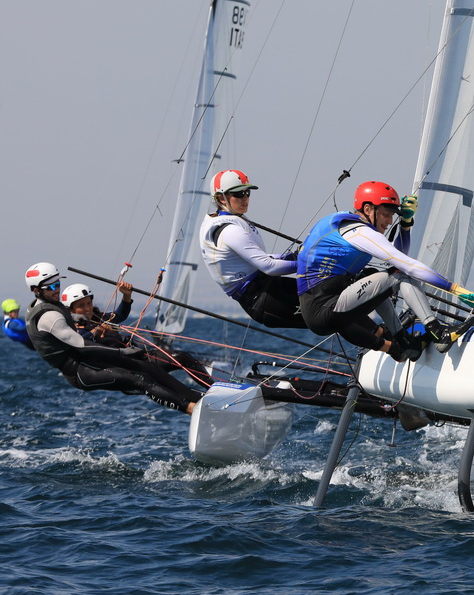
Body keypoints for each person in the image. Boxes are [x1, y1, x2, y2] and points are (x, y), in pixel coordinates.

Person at [297, 181, 474, 361]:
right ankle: (438, 333)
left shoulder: (344, 225)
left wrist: (405, 223)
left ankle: (406, 342)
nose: (389, 221)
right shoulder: (359, 232)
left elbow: (398, 257)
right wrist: (454, 288)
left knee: (373, 275)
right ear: (368, 209)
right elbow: (406, 265)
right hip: (327, 308)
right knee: (401, 275)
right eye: (386, 214)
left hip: (319, 311)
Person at [23, 262, 202, 414]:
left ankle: (199, 398)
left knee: (150, 368)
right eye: (51, 287)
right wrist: (121, 351)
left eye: (57, 284)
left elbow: (112, 317)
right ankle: (192, 409)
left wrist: (125, 298)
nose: (56, 289)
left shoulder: (57, 307)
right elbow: (81, 345)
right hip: (79, 370)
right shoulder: (49, 316)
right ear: (36, 290)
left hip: (91, 360)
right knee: (141, 379)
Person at [199, 169, 307, 329]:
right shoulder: (230, 230)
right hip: (263, 300)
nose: (245, 198)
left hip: (271, 286)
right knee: (334, 315)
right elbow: (269, 267)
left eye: (247, 192)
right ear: (221, 198)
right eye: (238, 194)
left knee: (332, 294)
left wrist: (292, 257)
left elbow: (259, 258)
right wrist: (309, 263)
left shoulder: (228, 220)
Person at [61, 282, 214, 386]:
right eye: (81, 305)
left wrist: (126, 296)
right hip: (125, 368)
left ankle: (213, 389)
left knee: (183, 357)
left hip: (138, 356)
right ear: (70, 310)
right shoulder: (72, 329)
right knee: (166, 379)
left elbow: (119, 315)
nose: (87, 308)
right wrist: (96, 331)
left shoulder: (99, 318)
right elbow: (78, 343)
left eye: (88, 303)